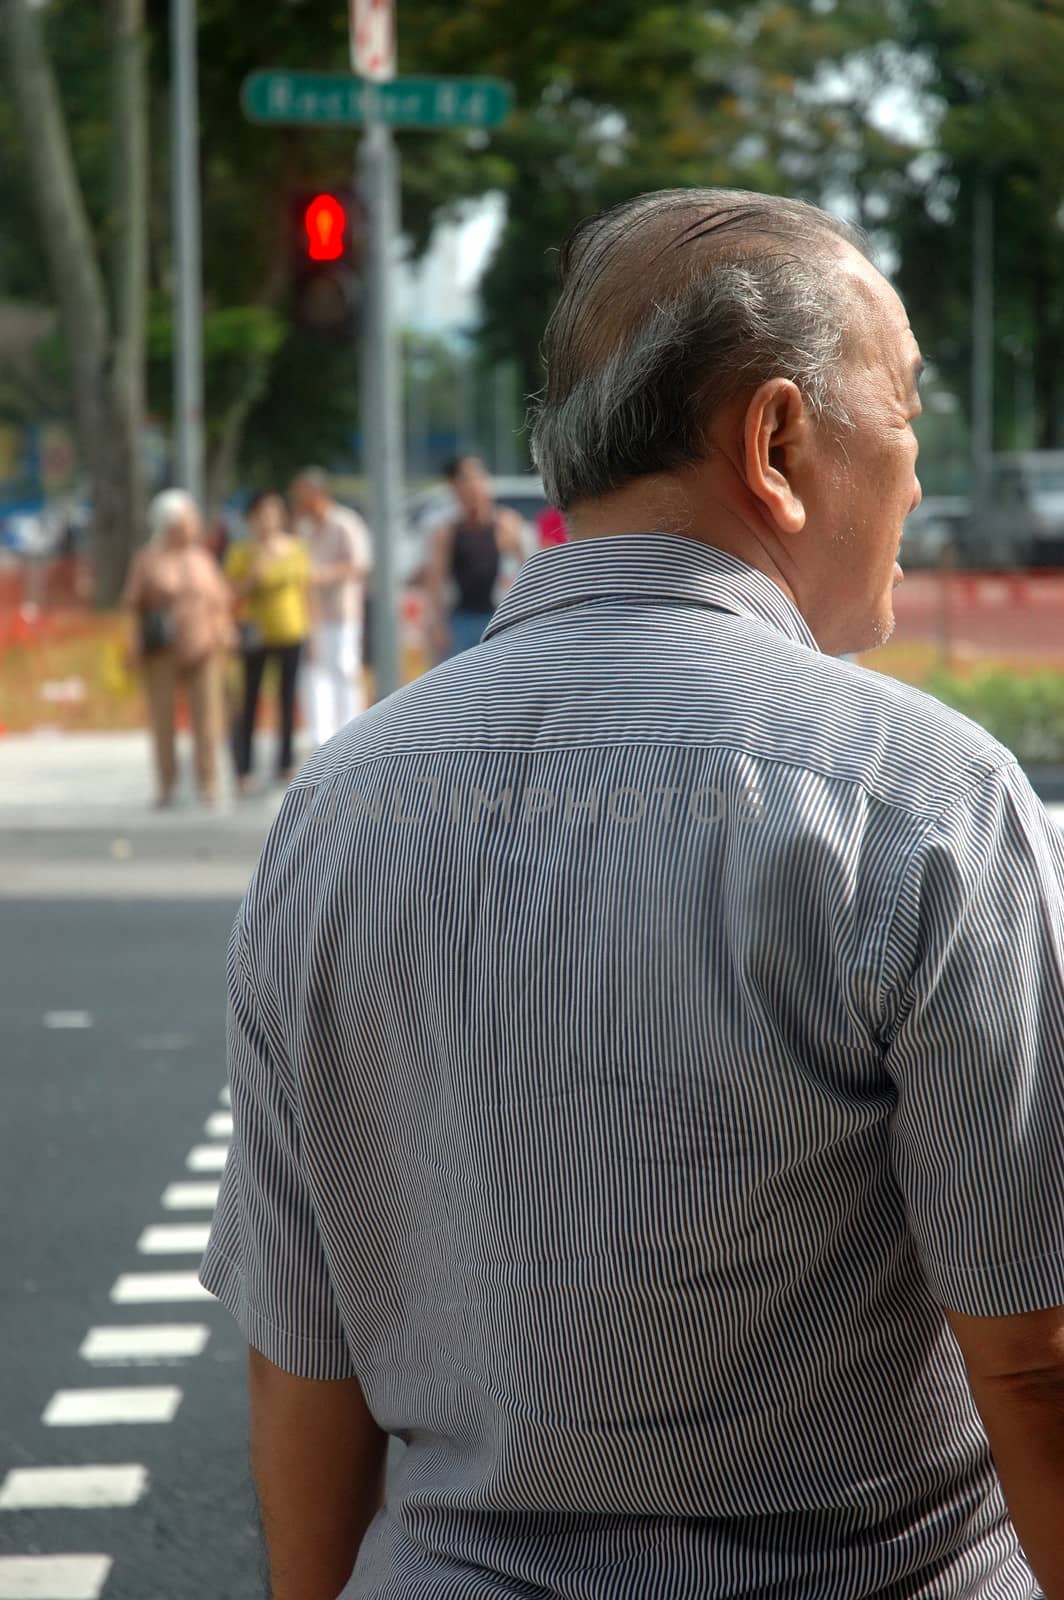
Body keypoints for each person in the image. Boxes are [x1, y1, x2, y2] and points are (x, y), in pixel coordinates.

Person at [200, 190, 1064, 1600]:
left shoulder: (341, 808)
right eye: (904, 413)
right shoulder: (922, 799)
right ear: (778, 443)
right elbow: (1033, 1361)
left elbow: (307, 1364)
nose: (916, 475)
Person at [122, 488, 231, 807]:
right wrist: (132, 642)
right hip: (162, 650)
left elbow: (219, 600)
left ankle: (208, 781)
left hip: (203, 647)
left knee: (208, 718)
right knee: (163, 719)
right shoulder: (148, 559)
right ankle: (167, 784)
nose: (194, 525)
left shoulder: (202, 558)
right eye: (188, 519)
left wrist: (223, 630)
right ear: (170, 524)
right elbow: (133, 605)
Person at [224, 491, 310, 794]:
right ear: (251, 518)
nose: (268, 519)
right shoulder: (242, 552)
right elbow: (232, 594)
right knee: (249, 700)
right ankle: (244, 768)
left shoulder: (296, 548)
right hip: (255, 634)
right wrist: (254, 570)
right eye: (261, 513)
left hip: (291, 631)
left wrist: (310, 629)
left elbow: (303, 590)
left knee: (288, 700)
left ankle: (285, 763)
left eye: (274, 513)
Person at [288, 468, 373, 742]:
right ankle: (321, 739)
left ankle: (350, 736)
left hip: (342, 612)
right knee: (313, 675)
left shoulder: (345, 522)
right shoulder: (303, 528)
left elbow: (360, 565)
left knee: (344, 669)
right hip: (311, 614)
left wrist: (324, 575)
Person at [423, 454, 530, 658]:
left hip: (498, 617)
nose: (473, 487)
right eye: (464, 481)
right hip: (461, 619)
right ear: (454, 489)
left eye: (477, 478)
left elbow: (526, 570)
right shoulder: (448, 531)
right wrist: (436, 623)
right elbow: (435, 580)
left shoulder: (505, 524)